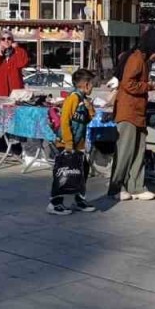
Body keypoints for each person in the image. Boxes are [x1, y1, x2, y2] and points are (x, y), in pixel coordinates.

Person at [109, 29, 155, 201]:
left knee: (139, 151)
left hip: (138, 112)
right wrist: (147, 86)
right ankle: (116, 187)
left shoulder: (142, 59)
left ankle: (136, 186)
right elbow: (128, 84)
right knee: (124, 151)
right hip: (128, 112)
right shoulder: (136, 59)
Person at [49, 68, 98, 215]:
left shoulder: (83, 100)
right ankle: (55, 203)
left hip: (79, 143)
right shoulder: (73, 98)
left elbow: (88, 119)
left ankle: (79, 199)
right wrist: (69, 143)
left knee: (82, 171)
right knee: (62, 172)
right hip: (67, 143)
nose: (93, 88)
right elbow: (65, 120)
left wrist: (90, 109)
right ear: (86, 85)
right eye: (93, 85)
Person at [0, 30, 30, 97]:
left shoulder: (17, 53)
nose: (6, 41)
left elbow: (23, 62)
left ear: (12, 41)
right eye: (3, 39)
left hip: (15, 93)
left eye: (9, 38)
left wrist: (17, 48)